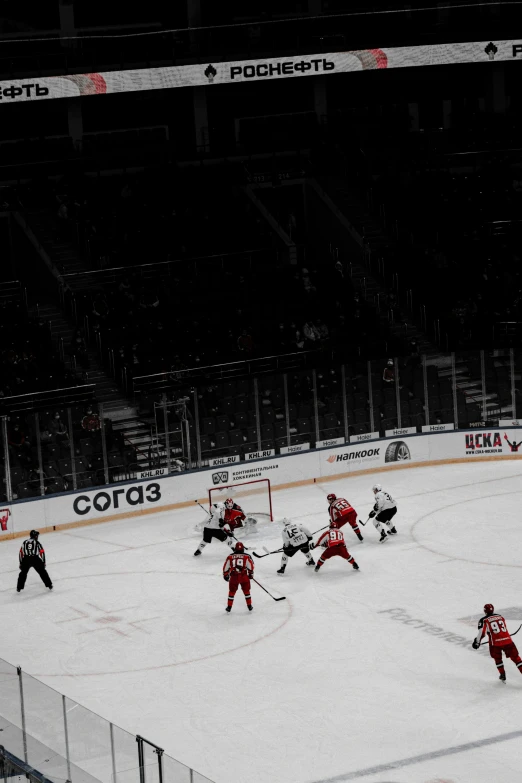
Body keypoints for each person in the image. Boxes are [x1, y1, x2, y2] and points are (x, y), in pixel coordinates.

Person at [472, 603, 522, 682]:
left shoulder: (484, 620)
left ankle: (502, 675)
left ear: (484, 611)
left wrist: (477, 642)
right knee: (516, 658)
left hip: (495, 644)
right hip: (508, 641)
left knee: (497, 659)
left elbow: (482, 633)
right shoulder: (500, 617)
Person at [223, 542, 254, 613]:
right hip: (244, 576)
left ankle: (229, 607)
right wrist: (250, 574)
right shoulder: (247, 556)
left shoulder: (230, 556)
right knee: (246, 591)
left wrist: (225, 574)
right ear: (243, 549)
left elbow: (226, 566)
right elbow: (251, 566)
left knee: (231, 592)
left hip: (234, 576)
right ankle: (249, 606)